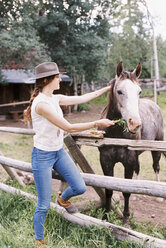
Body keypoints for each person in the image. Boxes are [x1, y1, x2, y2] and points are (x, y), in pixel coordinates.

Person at [24, 62, 114, 247]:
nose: (60, 79)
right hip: (42, 155)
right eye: (57, 77)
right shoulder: (41, 104)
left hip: (58, 152)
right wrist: (97, 123)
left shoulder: (54, 98)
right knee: (43, 205)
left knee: (80, 187)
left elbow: (83, 98)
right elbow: (68, 127)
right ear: (48, 80)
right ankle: (39, 241)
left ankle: (63, 198)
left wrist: (108, 88)